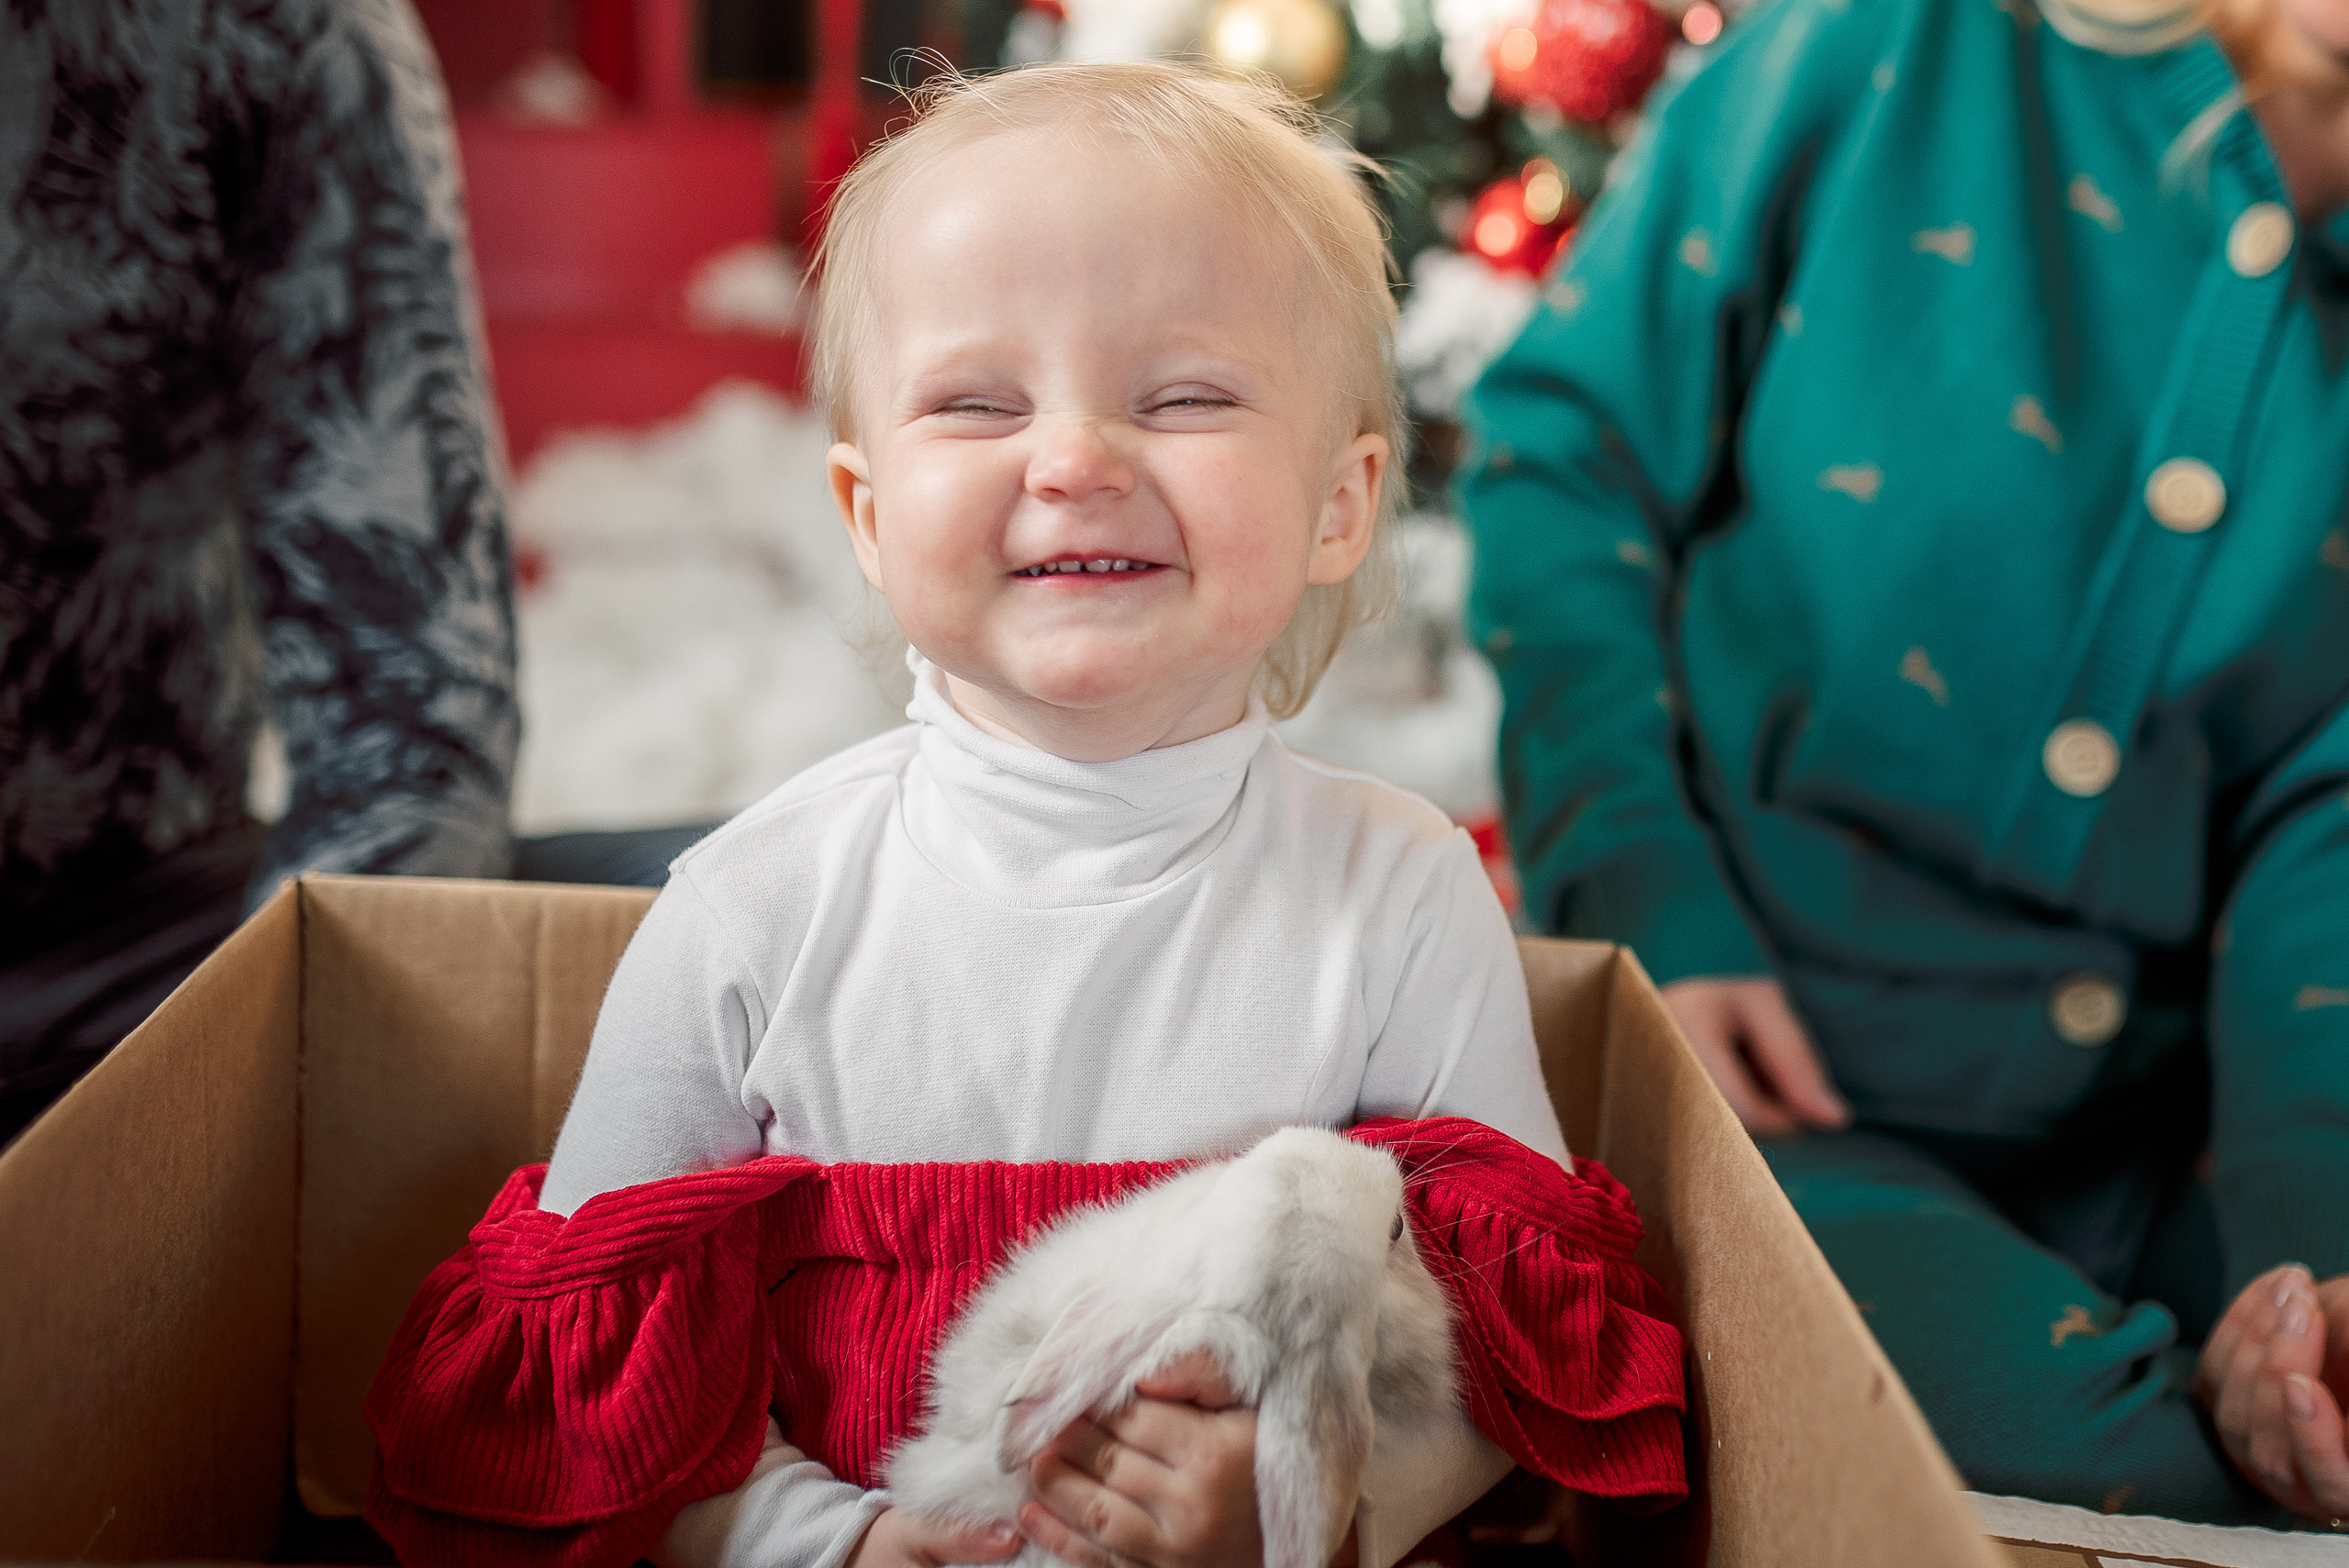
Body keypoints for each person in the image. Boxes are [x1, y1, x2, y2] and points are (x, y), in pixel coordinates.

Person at [1460, 0, 2349, 1527]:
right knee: (2052, 1426)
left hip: (2144, 1160)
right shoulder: (1883, 42)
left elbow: (2326, 833)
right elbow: (1564, 456)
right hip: (1752, 1103)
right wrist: (1646, 888)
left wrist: (2311, 1291)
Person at [0, 0, 713, 1148]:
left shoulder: (278, 29)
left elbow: (409, 701)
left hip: (128, 952)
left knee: (828, 908)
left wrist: (222, 1113)